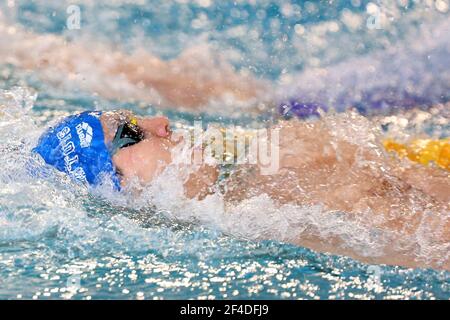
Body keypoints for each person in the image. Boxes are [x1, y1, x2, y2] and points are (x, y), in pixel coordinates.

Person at [33, 109, 450, 271]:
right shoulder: (275, 197)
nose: (160, 121)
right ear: (114, 185)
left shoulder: (281, 166)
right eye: (130, 132)